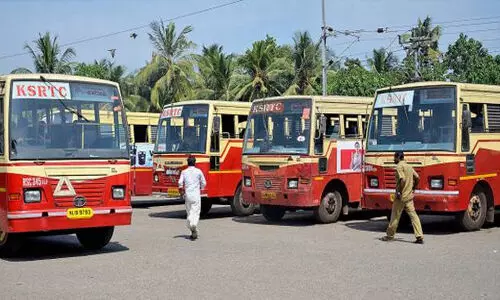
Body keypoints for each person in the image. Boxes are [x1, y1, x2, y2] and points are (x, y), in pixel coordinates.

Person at [381, 151, 424, 244]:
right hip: (409, 196)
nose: (394, 159)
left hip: (401, 197)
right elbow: (417, 177)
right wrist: (413, 187)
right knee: (413, 216)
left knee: (395, 216)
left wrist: (400, 191)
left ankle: (390, 235)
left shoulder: (399, 167)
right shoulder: (409, 166)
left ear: (398, 157)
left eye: (394, 157)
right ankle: (419, 236)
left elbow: (402, 179)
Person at [178, 156, 207, 240]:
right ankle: (193, 224)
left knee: (189, 211)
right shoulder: (198, 171)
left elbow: (180, 182)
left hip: (188, 195)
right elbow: (204, 183)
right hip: (196, 195)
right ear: (195, 162)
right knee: (196, 212)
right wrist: (201, 187)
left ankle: (192, 228)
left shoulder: (184, 172)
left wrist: (181, 191)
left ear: (187, 163)